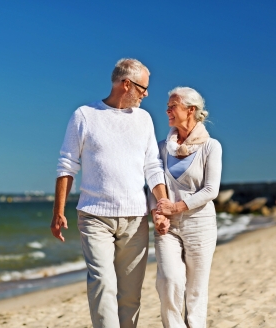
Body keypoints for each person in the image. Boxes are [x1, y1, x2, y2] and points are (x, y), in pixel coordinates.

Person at [50, 58, 169, 328]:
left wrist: (162, 204)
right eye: (143, 88)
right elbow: (67, 164)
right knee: (103, 285)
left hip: (135, 219)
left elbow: (153, 166)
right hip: (94, 217)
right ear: (126, 84)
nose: (146, 94)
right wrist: (58, 212)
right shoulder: (84, 115)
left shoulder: (144, 119)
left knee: (130, 296)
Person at [150, 87, 222, 327]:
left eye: (173, 106)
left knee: (195, 290)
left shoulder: (211, 147)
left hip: (199, 225)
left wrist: (177, 207)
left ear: (191, 110)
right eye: (168, 107)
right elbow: (152, 182)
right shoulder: (161, 147)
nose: (167, 111)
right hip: (167, 227)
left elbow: (211, 190)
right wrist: (158, 214)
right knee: (170, 281)